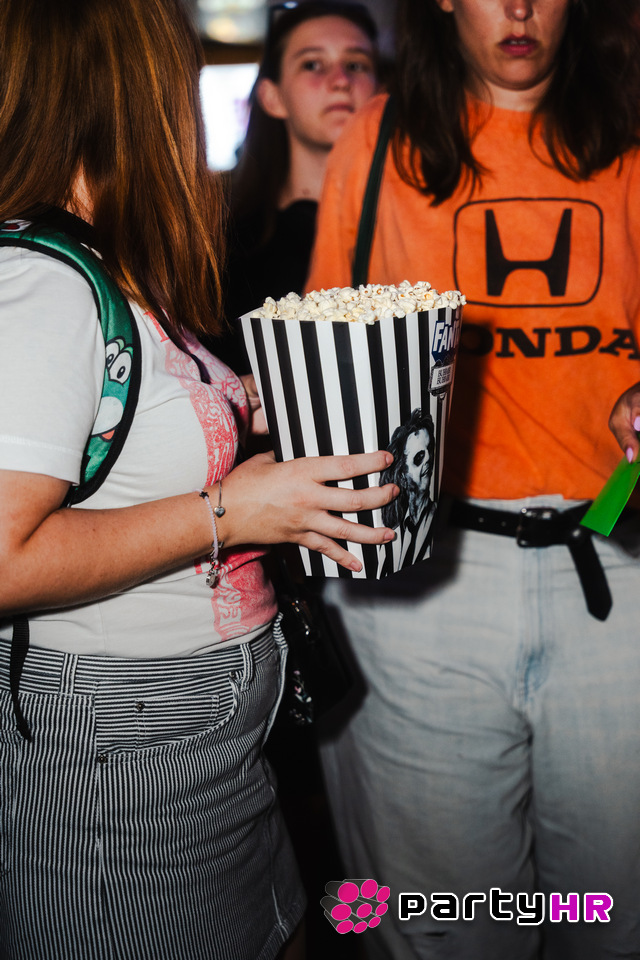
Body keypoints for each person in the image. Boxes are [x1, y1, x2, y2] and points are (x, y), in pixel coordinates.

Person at [0, 2, 399, 959]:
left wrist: (237, 412)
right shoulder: (43, 282)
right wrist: (235, 508)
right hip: (119, 757)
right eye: (178, 83)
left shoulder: (107, 263)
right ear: (135, 95)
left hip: (205, 750)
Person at [306, 1, 640, 958]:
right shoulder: (380, 143)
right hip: (424, 582)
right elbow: (328, 353)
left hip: (614, 561)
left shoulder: (627, 136)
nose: (520, 8)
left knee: (610, 920)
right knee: (451, 928)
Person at [213, 0, 379, 373]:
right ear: (273, 97)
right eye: (312, 64)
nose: (341, 80)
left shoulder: (420, 229)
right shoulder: (225, 250)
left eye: (356, 65)